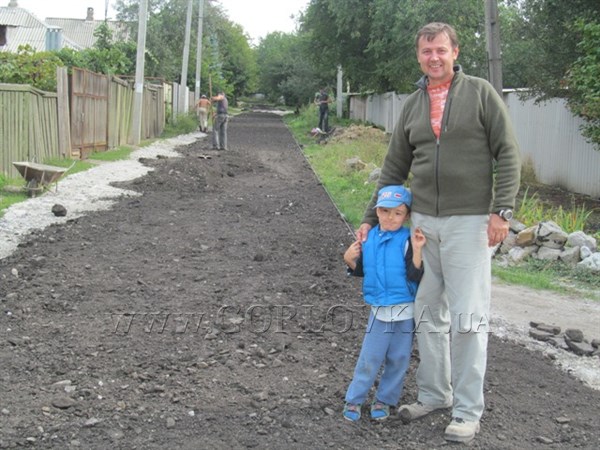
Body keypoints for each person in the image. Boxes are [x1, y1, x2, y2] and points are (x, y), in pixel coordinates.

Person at [355, 22, 521, 443]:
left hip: (470, 223)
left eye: (441, 50)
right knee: (428, 314)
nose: (434, 57)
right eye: (426, 51)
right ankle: (434, 394)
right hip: (424, 225)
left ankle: (467, 410)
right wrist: (371, 218)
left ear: (454, 51)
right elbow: (394, 167)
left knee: (467, 319)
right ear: (419, 56)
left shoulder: (481, 93)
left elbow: (507, 152)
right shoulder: (412, 105)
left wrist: (501, 211)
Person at [342, 185, 426, 422]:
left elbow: (415, 274)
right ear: (377, 211)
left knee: (399, 359)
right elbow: (363, 270)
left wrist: (418, 250)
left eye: (398, 213)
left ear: (406, 215)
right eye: (385, 211)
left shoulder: (408, 240)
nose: (391, 218)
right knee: (370, 357)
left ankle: (385, 399)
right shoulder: (368, 239)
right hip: (379, 312)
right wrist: (349, 259)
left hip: (405, 312)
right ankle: (355, 399)